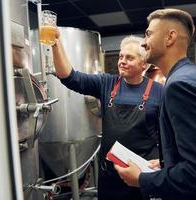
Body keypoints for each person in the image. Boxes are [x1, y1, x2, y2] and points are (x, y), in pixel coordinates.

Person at [114, 8, 196, 200]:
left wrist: (142, 180)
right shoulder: (193, 76)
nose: (143, 42)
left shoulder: (180, 86)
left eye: (149, 34)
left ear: (170, 38)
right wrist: (169, 162)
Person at [51, 34, 164, 200]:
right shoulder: (106, 84)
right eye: (121, 56)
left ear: (144, 64)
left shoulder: (159, 91)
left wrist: (163, 161)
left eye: (129, 58)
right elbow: (69, 77)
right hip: (110, 177)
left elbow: (169, 133)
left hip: (142, 176)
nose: (122, 61)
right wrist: (55, 44)